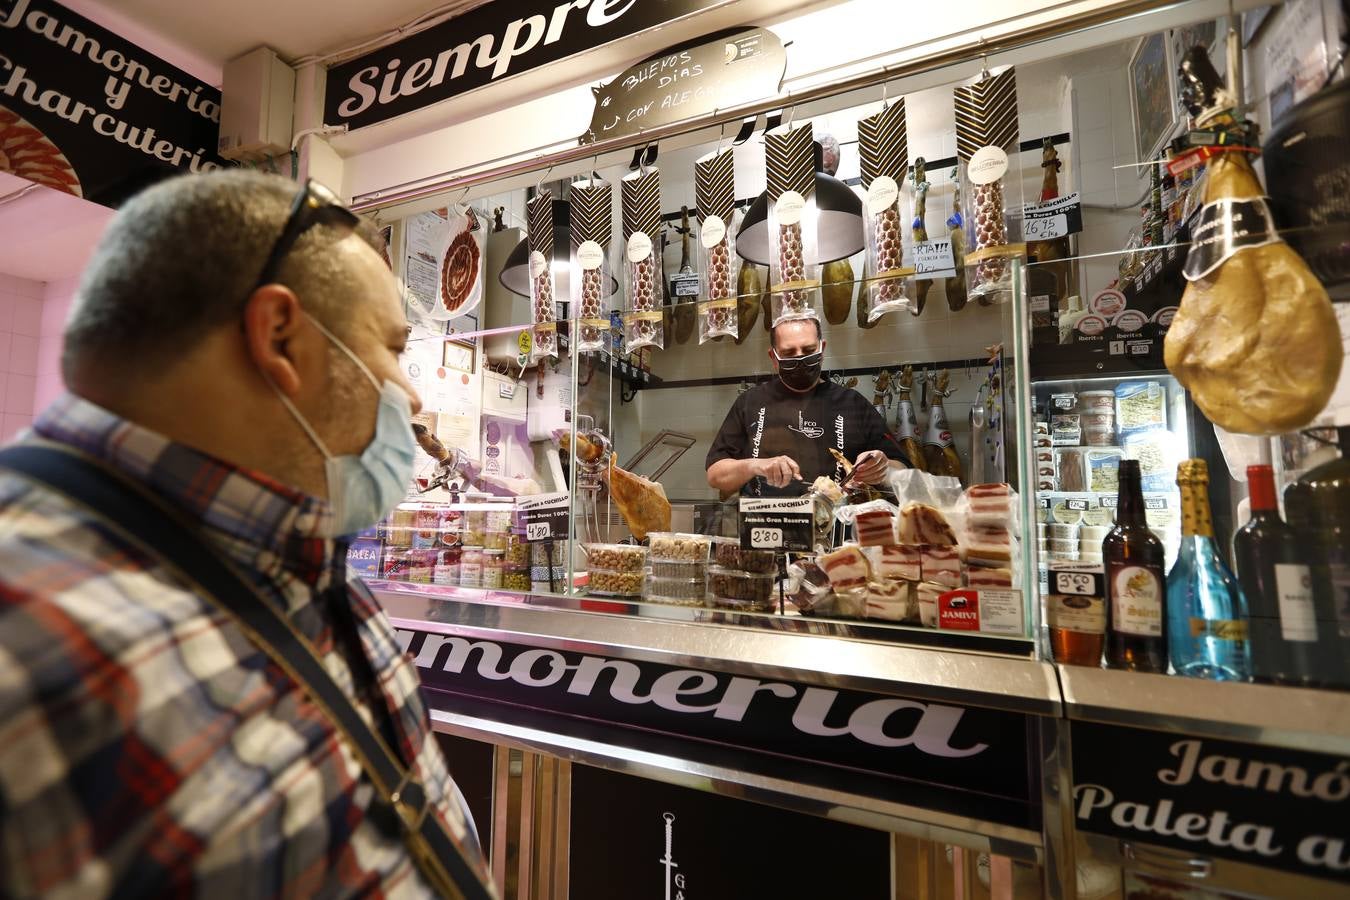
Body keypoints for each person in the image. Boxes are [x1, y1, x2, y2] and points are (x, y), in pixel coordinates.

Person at [0, 172, 494, 898]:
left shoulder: (302, 556)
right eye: (392, 346)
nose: (412, 395)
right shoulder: (29, 655)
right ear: (281, 337)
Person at [706, 318, 910, 497]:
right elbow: (715, 474)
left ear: (822, 349)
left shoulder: (852, 403)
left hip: (835, 531)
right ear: (773, 358)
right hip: (764, 529)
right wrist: (754, 465)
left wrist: (882, 467)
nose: (800, 358)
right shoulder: (750, 402)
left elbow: (901, 470)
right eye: (789, 352)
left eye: (809, 351)